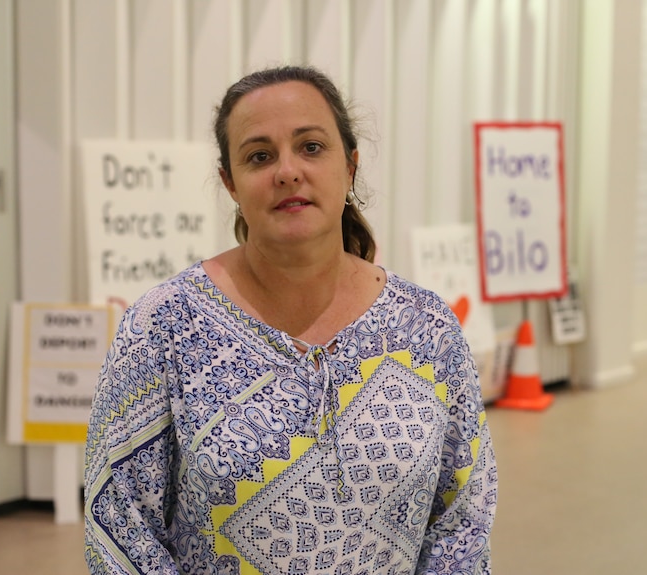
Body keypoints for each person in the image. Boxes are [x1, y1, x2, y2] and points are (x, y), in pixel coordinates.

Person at [83, 65, 497, 575]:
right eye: (260, 156)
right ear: (230, 183)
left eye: (311, 147)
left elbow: (463, 520)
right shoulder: (162, 327)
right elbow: (121, 530)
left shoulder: (427, 327)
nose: (287, 171)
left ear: (350, 166)